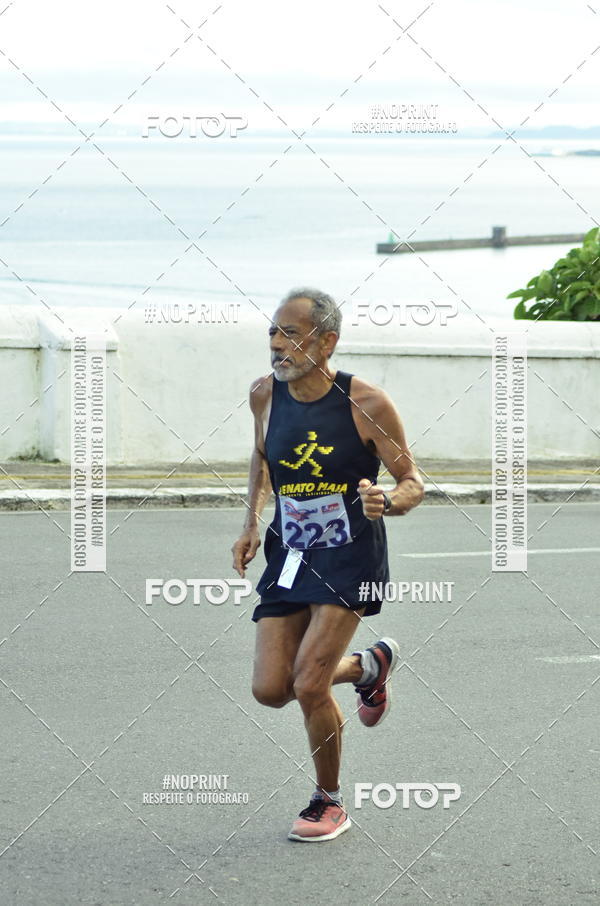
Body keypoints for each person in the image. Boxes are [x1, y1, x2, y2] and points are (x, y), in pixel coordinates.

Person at [231, 287, 424, 842]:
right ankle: (367, 668)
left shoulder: (366, 403)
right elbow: (262, 457)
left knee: (310, 684)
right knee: (272, 687)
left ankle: (328, 800)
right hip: (290, 551)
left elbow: (412, 481)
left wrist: (387, 500)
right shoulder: (264, 394)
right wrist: (250, 524)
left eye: (291, 333)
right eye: (272, 331)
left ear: (327, 341)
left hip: (351, 553)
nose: (276, 343)